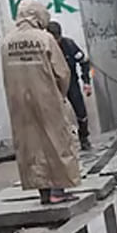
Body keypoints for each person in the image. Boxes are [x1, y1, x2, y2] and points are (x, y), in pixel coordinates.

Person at [1, 0, 82, 205]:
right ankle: (58, 190)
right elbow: (62, 72)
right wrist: (60, 95)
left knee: (31, 146)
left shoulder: (6, 42)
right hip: (47, 99)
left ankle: (43, 193)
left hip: (18, 102)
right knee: (56, 141)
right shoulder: (45, 39)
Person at [47, 20, 93, 151]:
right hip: (53, 84)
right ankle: (60, 143)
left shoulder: (69, 45)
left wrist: (86, 82)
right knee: (54, 115)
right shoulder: (44, 48)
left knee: (81, 111)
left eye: (57, 39)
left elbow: (84, 62)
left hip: (71, 81)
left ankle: (84, 137)